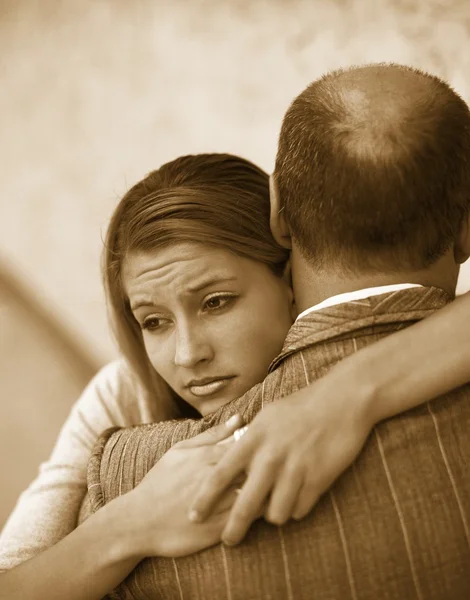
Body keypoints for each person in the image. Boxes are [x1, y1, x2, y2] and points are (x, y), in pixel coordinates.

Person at [0, 76, 469, 600]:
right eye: (152, 321)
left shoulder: (126, 466)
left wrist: (341, 396)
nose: (187, 354)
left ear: (286, 259)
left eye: (217, 303)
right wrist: (130, 524)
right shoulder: (122, 398)